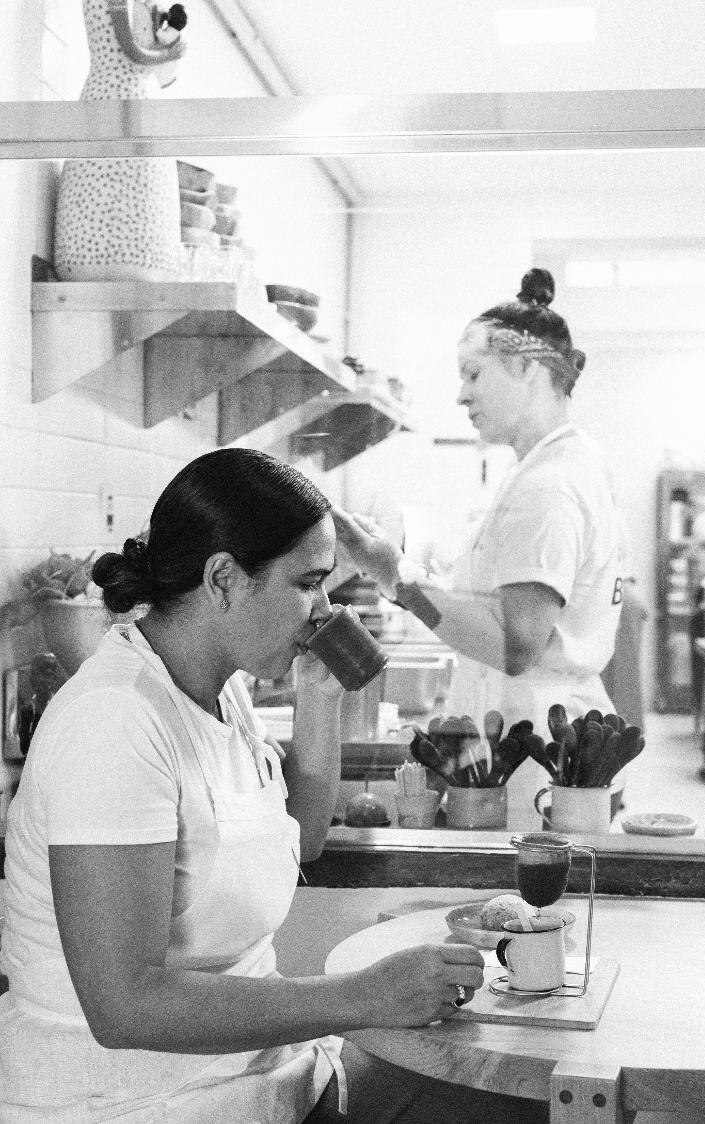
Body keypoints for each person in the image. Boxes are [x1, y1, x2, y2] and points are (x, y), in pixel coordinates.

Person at [0, 448, 551, 1123]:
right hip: (134, 1102)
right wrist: (361, 996)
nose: (324, 610)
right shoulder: (113, 721)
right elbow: (124, 1006)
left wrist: (317, 700)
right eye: (308, 583)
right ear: (225, 580)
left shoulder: (215, 692)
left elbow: (305, 839)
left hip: (261, 1080)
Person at [334, 268, 624, 829]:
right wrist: (396, 563)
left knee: (525, 909)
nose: (461, 394)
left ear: (525, 367)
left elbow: (516, 644)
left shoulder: (548, 486)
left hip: (531, 750)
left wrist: (393, 575)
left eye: (473, 373)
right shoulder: (555, 465)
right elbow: (497, 604)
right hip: (531, 738)